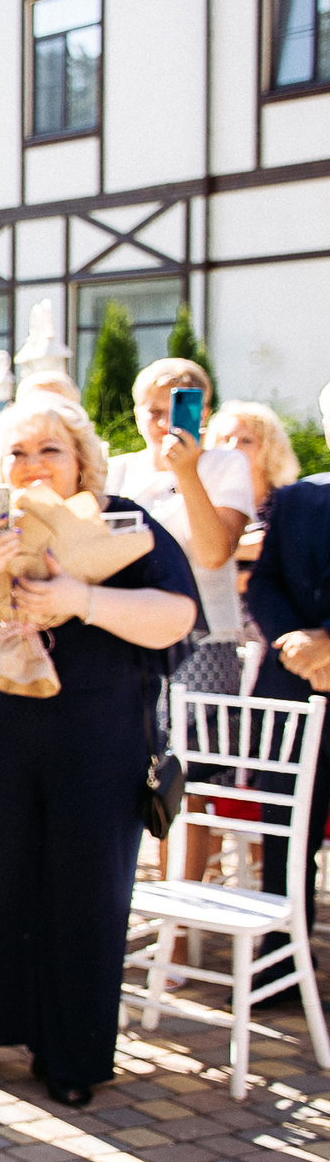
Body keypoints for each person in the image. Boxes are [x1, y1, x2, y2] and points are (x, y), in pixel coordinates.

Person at [0, 395, 198, 1107]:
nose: (34, 464)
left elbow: (178, 617)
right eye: (17, 451)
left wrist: (80, 598)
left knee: (85, 890)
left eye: (51, 450)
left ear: (82, 461)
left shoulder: (124, 520)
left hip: (96, 743)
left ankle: (73, 1052)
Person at [244, 383, 330, 982]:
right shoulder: (297, 501)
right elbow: (265, 580)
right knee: (287, 827)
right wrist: (292, 642)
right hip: (292, 686)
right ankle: (282, 962)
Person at [108, 357, 252, 696]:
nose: (164, 423)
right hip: (129, 626)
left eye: (176, 409)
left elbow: (214, 555)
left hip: (206, 635)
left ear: (202, 413)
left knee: (199, 745)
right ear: (136, 413)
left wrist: (187, 472)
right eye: (153, 411)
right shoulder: (116, 471)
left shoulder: (225, 465)